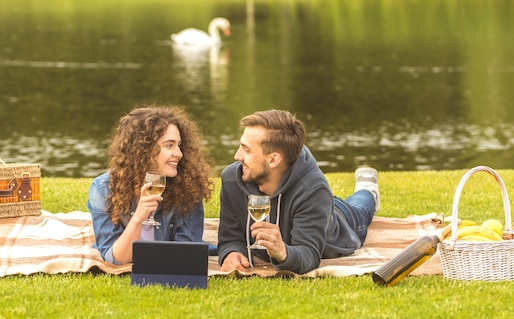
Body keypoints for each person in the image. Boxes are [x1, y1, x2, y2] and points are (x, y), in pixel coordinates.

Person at [218, 109, 380, 275]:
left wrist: (283, 252)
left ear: (273, 159)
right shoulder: (232, 180)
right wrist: (231, 252)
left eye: (246, 150)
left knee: (360, 209)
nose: (237, 156)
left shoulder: (314, 191)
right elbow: (230, 237)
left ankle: (368, 189)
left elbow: (309, 255)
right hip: (313, 205)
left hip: (338, 217)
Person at [87, 105, 214, 265]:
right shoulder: (103, 189)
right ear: (143, 149)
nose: (179, 153)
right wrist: (138, 218)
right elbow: (116, 258)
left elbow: (186, 251)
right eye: (169, 145)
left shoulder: (187, 185)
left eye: (179, 145)